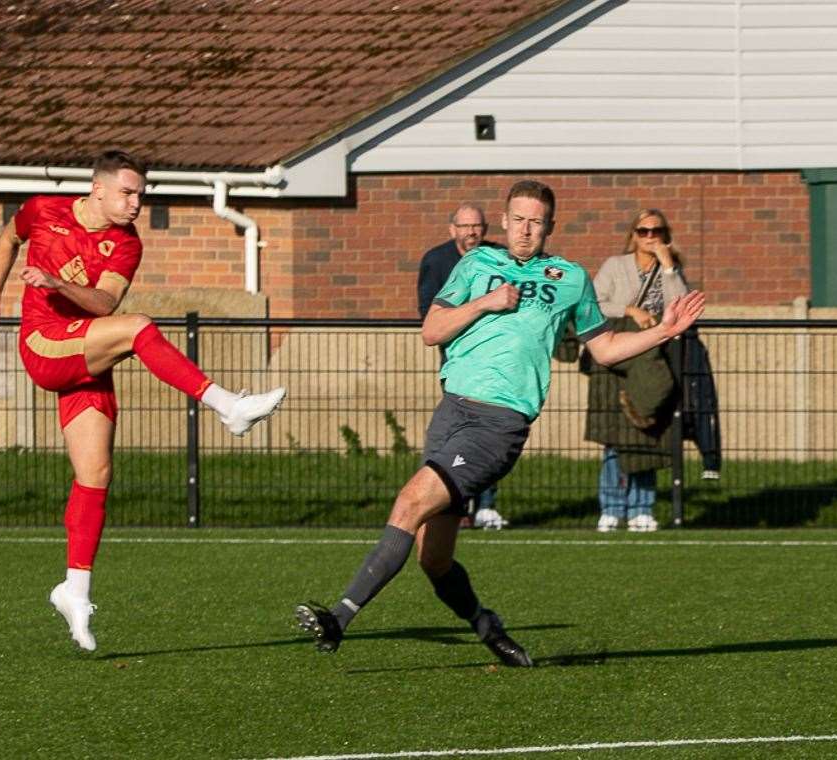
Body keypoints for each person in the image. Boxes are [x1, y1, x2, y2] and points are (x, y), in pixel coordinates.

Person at [295, 180, 705, 665]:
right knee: (434, 559)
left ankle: (337, 619)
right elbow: (432, 330)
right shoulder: (475, 266)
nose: (526, 229)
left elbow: (605, 348)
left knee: (409, 501)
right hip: (450, 412)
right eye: (519, 219)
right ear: (505, 221)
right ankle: (489, 629)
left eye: (537, 221)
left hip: (498, 424)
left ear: (549, 226)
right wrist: (484, 303)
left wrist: (663, 330)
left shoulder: (569, 278)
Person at [0, 149, 286, 652]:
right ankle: (227, 405)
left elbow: (105, 302)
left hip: (84, 347)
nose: (136, 203)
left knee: (95, 475)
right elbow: (9, 237)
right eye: (128, 193)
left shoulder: (126, 243)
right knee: (138, 329)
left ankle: (74, 590)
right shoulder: (44, 209)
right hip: (45, 344)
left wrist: (56, 281)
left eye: (141, 195)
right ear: (98, 189)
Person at [587, 208, 690, 532]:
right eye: (643, 231)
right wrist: (629, 310)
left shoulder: (669, 269)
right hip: (617, 360)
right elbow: (593, 302)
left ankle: (642, 508)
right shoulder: (615, 266)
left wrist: (670, 266)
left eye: (656, 231)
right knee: (617, 438)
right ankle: (612, 506)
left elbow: (683, 307)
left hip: (654, 360)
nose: (649, 237)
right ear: (633, 235)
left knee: (649, 433)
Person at [416, 203, 505, 530]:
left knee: (492, 436)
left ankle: (488, 504)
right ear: (452, 229)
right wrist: (475, 313)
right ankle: (456, 505)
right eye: (465, 226)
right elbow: (429, 315)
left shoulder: (501, 257)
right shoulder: (437, 261)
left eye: (477, 226)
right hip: (458, 365)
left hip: (497, 364)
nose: (472, 232)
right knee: (458, 437)